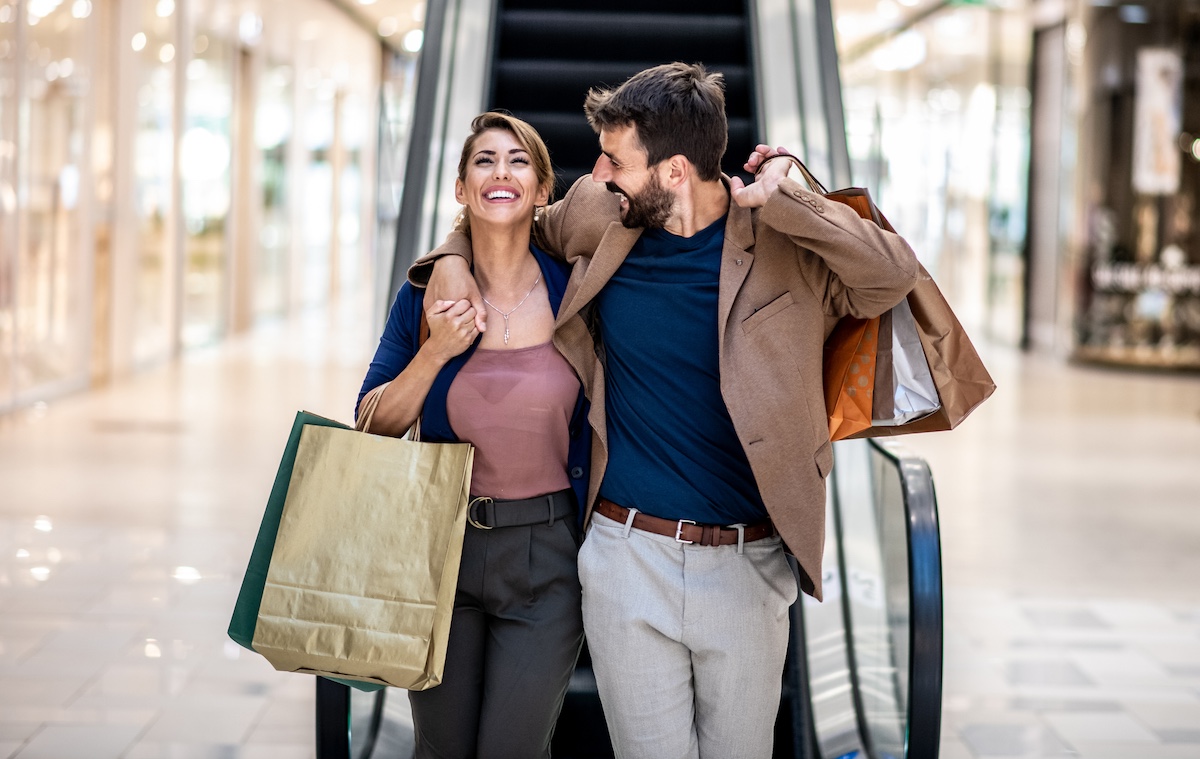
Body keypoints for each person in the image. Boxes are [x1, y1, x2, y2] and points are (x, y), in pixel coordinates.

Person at [413, 63, 921, 759]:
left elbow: (892, 276)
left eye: (616, 159)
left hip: (750, 563)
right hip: (628, 557)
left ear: (675, 171)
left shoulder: (782, 243)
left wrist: (793, 201)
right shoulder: (603, 213)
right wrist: (447, 258)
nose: (598, 172)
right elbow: (501, 218)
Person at [356, 112, 590, 759]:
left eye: (518, 161)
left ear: (544, 190)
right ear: (461, 189)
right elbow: (372, 421)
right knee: (440, 748)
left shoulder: (577, 295)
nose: (500, 173)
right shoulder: (426, 297)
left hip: (546, 556)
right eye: (484, 161)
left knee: (514, 748)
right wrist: (436, 352)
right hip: (441, 548)